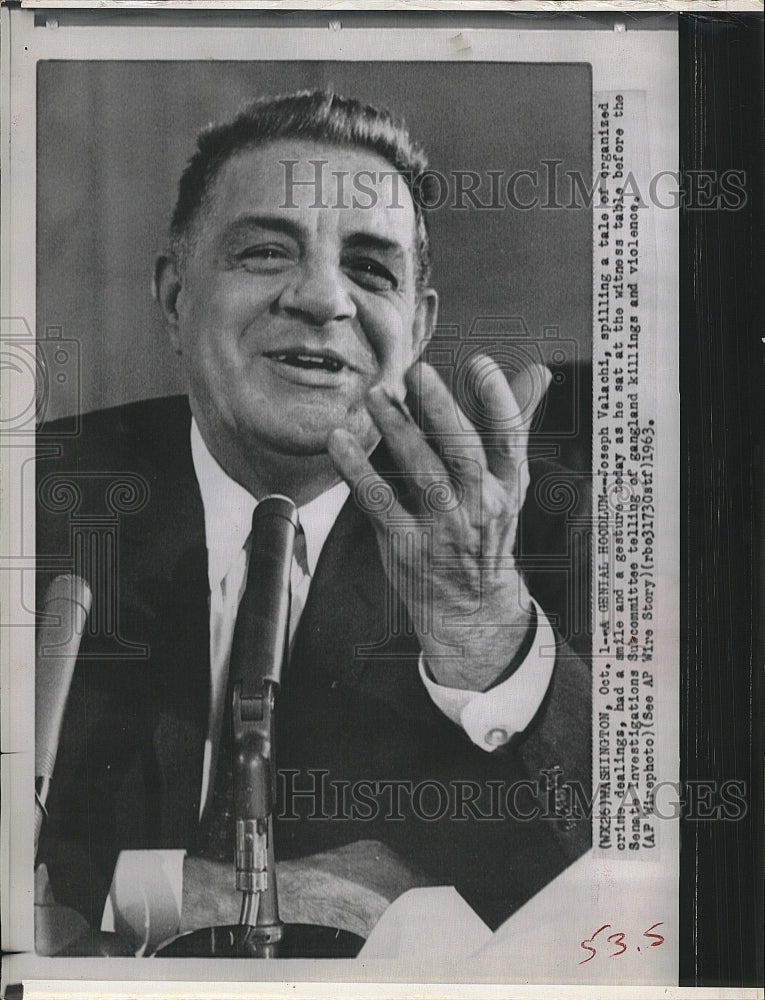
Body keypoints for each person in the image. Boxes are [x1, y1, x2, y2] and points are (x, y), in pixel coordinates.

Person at [36, 90, 591, 949]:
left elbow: (650, 889)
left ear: (419, 326)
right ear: (175, 295)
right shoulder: (30, 496)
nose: (322, 298)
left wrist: (485, 633)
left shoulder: (538, 536)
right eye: (265, 251)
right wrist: (165, 891)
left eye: (372, 271)